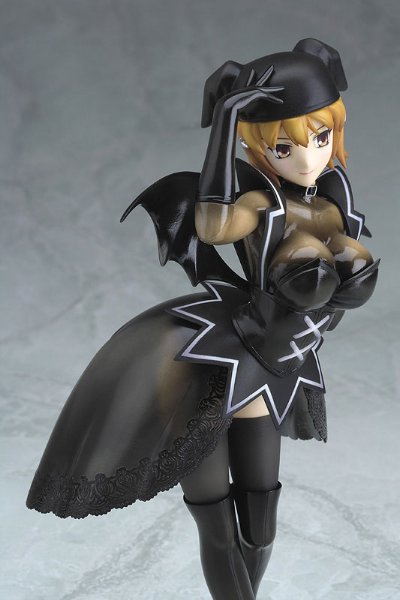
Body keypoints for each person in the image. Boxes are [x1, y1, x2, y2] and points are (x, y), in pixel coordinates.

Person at [26, 39, 379, 600]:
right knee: (217, 525)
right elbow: (213, 226)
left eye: (320, 137)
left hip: (273, 369)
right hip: (206, 365)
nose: (308, 157)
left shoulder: (335, 198)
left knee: (260, 523)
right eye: (284, 146)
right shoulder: (259, 203)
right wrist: (224, 126)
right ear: (257, 145)